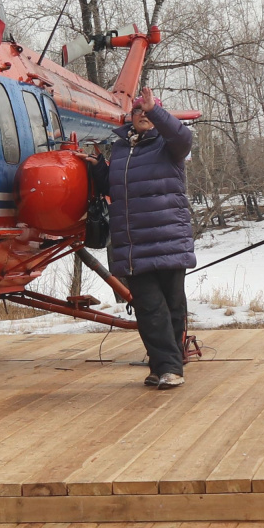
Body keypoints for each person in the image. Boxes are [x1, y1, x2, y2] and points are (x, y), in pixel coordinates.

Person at [101, 91, 196, 389]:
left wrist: (155, 110)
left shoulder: (170, 146)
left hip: (168, 237)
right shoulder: (119, 151)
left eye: (148, 112)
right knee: (149, 307)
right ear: (130, 117)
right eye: (138, 111)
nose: (143, 115)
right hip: (134, 244)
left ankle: (165, 365)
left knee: (172, 306)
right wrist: (93, 167)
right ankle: (168, 366)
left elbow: (183, 136)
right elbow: (110, 186)